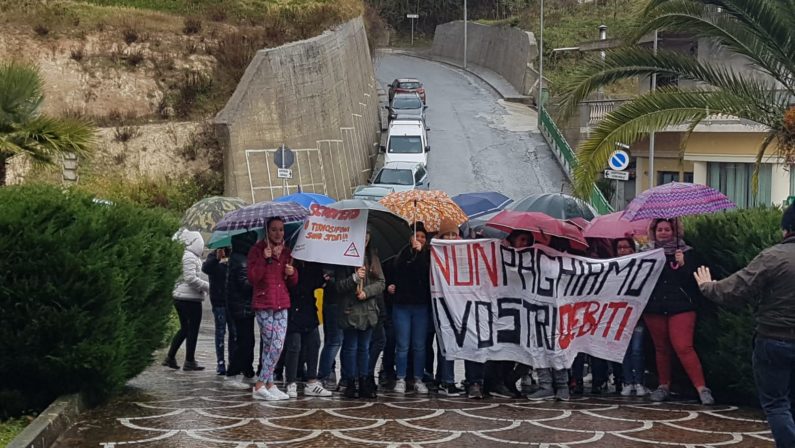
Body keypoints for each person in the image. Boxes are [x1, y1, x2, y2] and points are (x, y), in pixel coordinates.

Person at [694, 203, 795, 447]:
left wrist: (708, 286)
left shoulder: (772, 257)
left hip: (774, 340)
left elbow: (735, 290)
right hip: (777, 340)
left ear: (786, 229)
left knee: (777, 403)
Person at [642, 218, 713, 405]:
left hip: (681, 306)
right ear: (654, 232)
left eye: (667, 229)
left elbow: (694, 280)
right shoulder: (646, 254)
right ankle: (663, 385)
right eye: (660, 230)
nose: (664, 233)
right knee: (661, 348)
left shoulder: (687, 253)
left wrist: (684, 265)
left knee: (683, 347)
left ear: (675, 231)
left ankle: (701, 388)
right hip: (654, 307)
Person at [331, 228, 385, 398]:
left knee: (364, 348)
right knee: (351, 347)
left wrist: (366, 292)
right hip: (351, 312)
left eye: (368, 236)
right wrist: (354, 279)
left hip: (368, 312)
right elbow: (338, 286)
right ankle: (350, 380)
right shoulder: (344, 258)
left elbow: (381, 283)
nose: (365, 239)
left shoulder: (373, 257)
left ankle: (364, 380)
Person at [248, 217, 298, 401]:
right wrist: (264, 258)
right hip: (264, 304)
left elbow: (292, 282)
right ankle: (260, 384)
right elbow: (253, 278)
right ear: (267, 231)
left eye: (281, 230)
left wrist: (291, 274)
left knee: (275, 345)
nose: (278, 233)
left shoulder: (286, 252)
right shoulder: (257, 251)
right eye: (274, 230)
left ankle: (268, 384)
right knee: (273, 345)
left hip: (282, 303)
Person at [486, 230, 534, 398]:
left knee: (521, 352)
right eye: (522, 239)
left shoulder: (531, 258)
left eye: (527, 240)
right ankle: (496, 383)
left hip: (521, 312)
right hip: (502, 311)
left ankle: (509, 380)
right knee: (503, 350)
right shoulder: (501, 256)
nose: (525, 244)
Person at [389, 223, 431, 394]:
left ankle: (418, 378)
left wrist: (420, 254)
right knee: (403, 345)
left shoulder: (428, 256)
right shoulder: (401, 255)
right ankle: (401, 377)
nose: (419, 239)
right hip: (402, 306)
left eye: (422, 237)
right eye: (417, 236)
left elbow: (425, 274)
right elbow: (397, 272)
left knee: (419, 345)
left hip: (421, 306)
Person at [284, 260, 332, 398]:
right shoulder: (290, 261)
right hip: (293, 308)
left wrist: (324, 280)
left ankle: (312, 381)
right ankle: (291, 382)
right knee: (294, 346)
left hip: (309, 308)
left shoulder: (313, 262)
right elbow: (292, 286)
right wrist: (290, 275)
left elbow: (315, 283)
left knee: (314, 343)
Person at [163, 229, 210, 371]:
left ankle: (171, 357)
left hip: (183, 297)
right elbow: (190, 278)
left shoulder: (187, 255)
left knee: (185, 329)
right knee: (191, 329)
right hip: (189, 298)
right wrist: (207, 286)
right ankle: (189, 360)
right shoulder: (189, 256)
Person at [432, 219, 466, 397]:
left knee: (452, 341)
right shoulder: (435, 253)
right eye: (448, 234)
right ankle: (447, 381)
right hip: (442, 303)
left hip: (459, 305)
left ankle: (443, 378)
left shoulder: (464, 253)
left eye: (454, 234)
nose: (451, 238)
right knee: (446, 341)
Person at [613, 237, 649, 397]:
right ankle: (628, 382)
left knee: (637, 350)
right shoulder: (612, 269)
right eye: (619, 248)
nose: (622, 250)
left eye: (625, 247)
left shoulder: (640, 268)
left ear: (632, 250)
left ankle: (639, 382)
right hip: (620, 316)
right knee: (624, 352)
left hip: (637, 316)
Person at [224, 231, 258, 389]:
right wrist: (258, 278)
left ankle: (247, 371)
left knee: (247, 340)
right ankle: (232, 373)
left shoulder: (237, 257)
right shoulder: (242, 260)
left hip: (241, 306)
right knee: (245, 342)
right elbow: (245, 285)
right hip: (242, 307)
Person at [203, 247, 236, 376]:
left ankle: (232, 362)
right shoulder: (214, 256)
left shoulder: (234, 255)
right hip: (219, 300)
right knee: (220, 332)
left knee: (234, 332)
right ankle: (220, 362)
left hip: (233, 301)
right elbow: (206, 269)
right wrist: (217, 258)